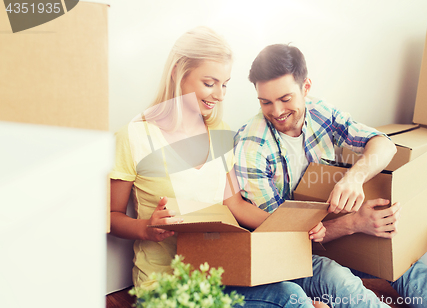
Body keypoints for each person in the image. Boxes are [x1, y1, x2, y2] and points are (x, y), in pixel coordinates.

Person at [232, 43, 427, 308]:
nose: (276, 111)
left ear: (305, 88)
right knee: (339, 281)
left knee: (408, 266)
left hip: (329, 229)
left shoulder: (319, 111)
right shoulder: (252, 147)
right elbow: (284, 237)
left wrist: (355, 178)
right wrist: (354, 223)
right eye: (266, 102)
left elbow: (383, 143)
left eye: (285, 99)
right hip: (287, 251)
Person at [109, 27, 328, 308]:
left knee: (292, 297)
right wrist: (147, 228)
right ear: (178, 71)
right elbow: (112, 217)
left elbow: (235, 205)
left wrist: (298, 227)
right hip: (165, 285)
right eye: (210, 83)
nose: (220, 95)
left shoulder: (221, 133)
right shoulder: (133, 136)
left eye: (225, 84)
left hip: (218, 273)